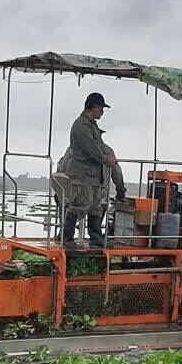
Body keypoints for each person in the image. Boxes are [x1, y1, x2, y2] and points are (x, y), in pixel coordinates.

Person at [61, 92, 117, 249]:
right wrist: (107, 160)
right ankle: (66, 238)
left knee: (95, 206)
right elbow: (92, 150)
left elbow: (99, 147)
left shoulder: (91, 125)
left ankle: (96, 238)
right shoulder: (81, 126)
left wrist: (105, 158)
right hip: (83, 174)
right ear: (93, 107)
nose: (102, 112)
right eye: (101, 108)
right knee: (79, 204)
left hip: (93, 176)